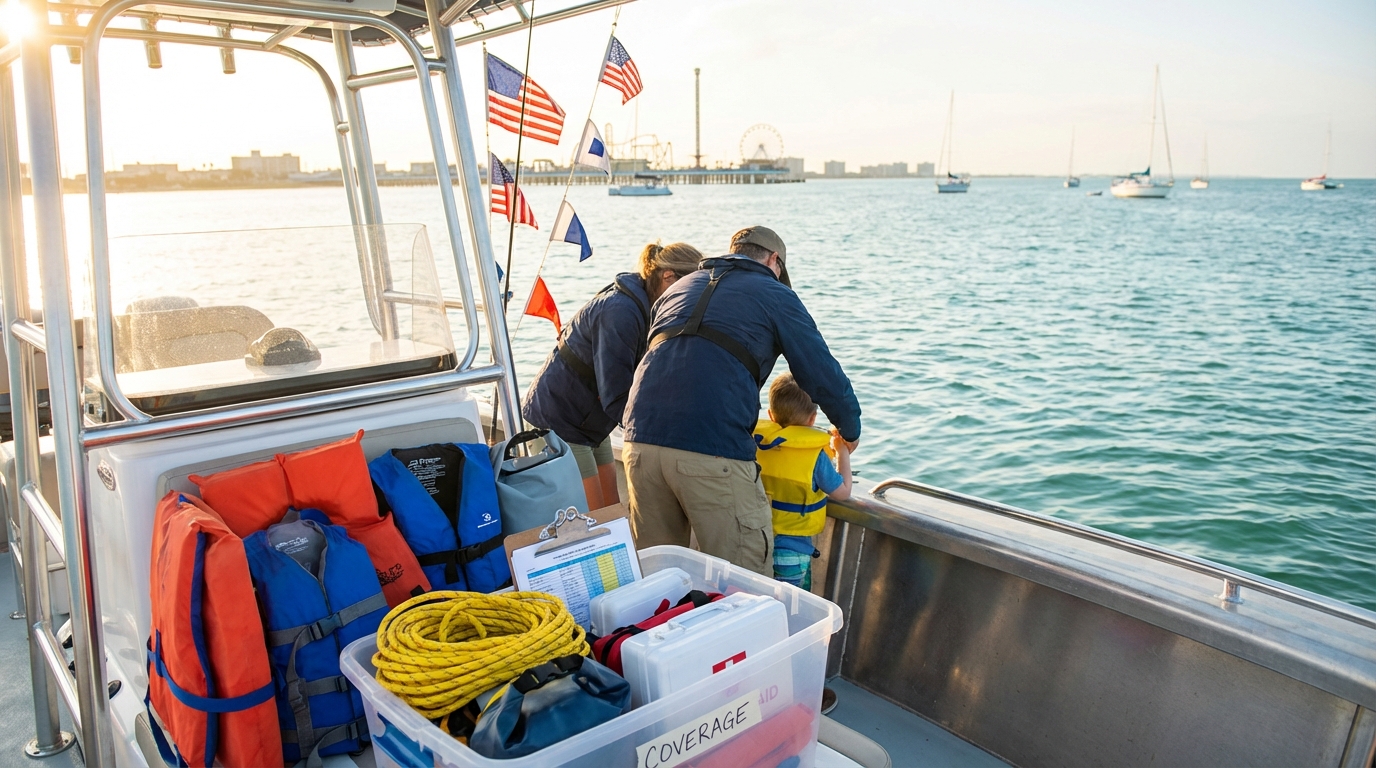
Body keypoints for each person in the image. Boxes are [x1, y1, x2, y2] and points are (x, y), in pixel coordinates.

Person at [622, 226, 861, 576]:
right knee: (745, 583)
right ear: (774, 260)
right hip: (712, 447)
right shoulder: (776, 293)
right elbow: (820, 372)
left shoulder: (679, 288)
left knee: (657, 577)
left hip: (639, 443)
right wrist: (849, 428)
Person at [522, 242, 702, 509]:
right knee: (596, 518)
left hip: (592, 422)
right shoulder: (620, 312)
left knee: (612, 510)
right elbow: (616, 394)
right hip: (558, 421)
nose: (693, 298)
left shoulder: (649, 305)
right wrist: (663, 437)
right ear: (668, 277)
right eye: (692, 288)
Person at [754, 373, 852, 590]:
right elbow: (843, 492)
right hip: (792, 554)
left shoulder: (757, 445)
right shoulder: (815, 456)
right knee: (791, 605)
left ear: (770, 415)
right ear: (812, 418)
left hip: (756, 545)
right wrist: (841, 452)